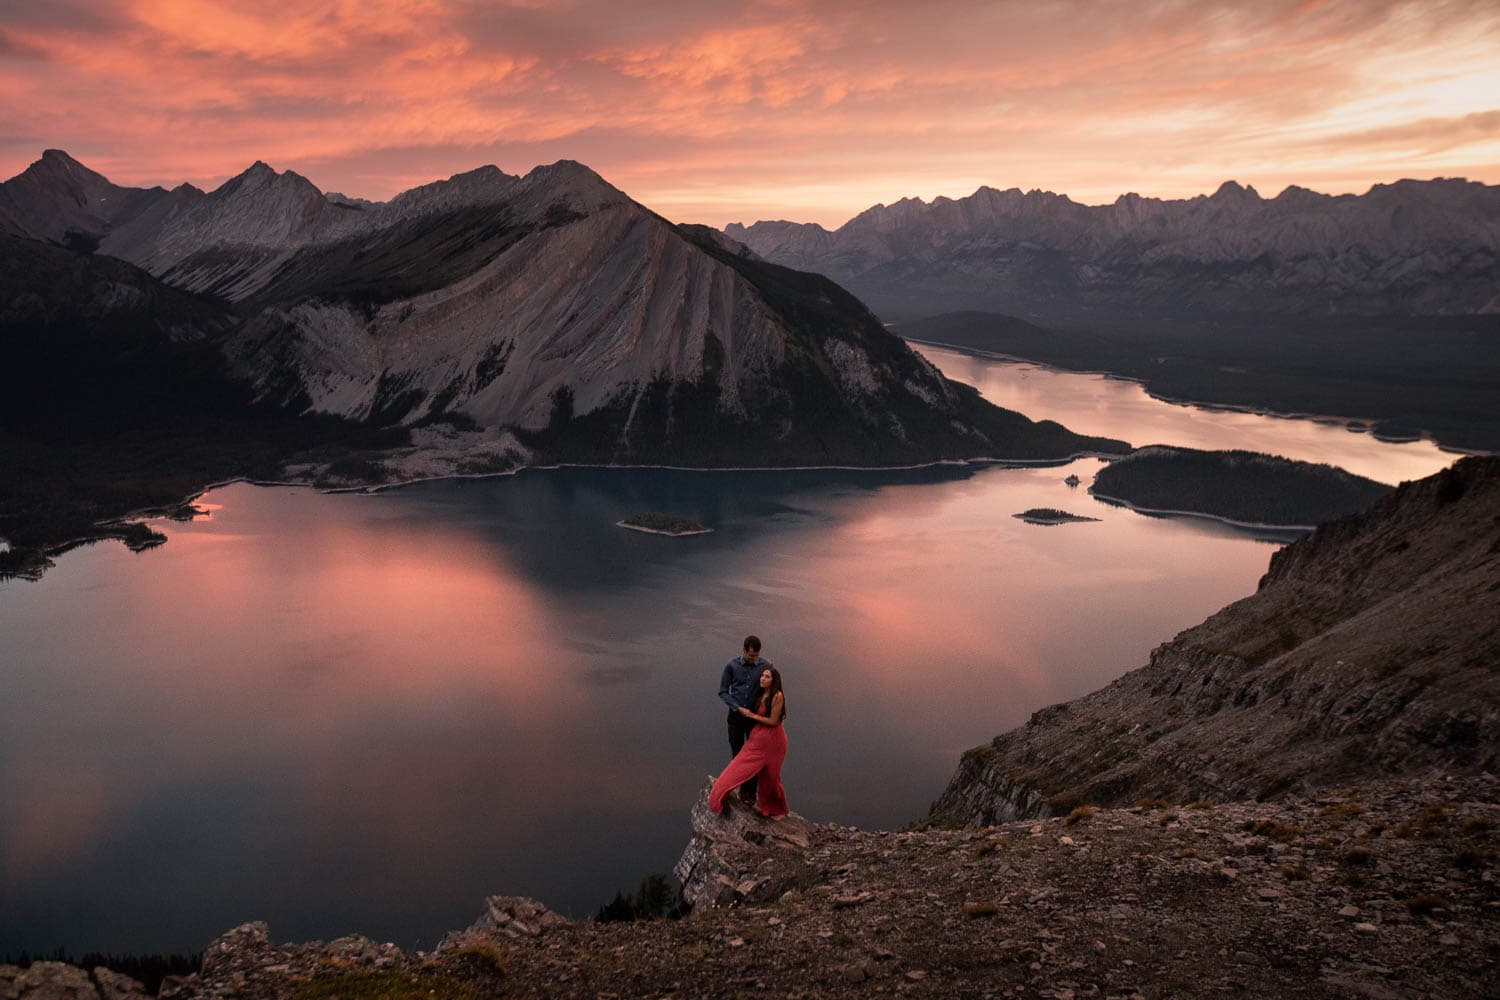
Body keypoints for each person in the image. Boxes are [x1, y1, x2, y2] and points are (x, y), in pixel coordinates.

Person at [709, 666, 790, 819]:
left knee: (771, 779)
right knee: (738, 766)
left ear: (774, 680)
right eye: (762, 676)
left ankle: (773, 809)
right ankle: (716, 798)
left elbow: (773, 721)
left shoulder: (777, 695)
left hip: (775, 742)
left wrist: (752, 716)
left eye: (766, 677)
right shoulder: (761, 693)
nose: (762, 679)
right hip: (757, 741)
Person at [718, 635, 771, 805]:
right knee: (738, 754)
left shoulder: (765, 666)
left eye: (756, 656)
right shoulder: (731, 666)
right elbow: (723, 691)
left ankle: (750, 794)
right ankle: (739, 787)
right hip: (736, 717)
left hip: (754, 719)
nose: (753, 659)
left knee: (754, 756)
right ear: (744, 650)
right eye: (750, 655)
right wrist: (737, 707)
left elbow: (771, 688)